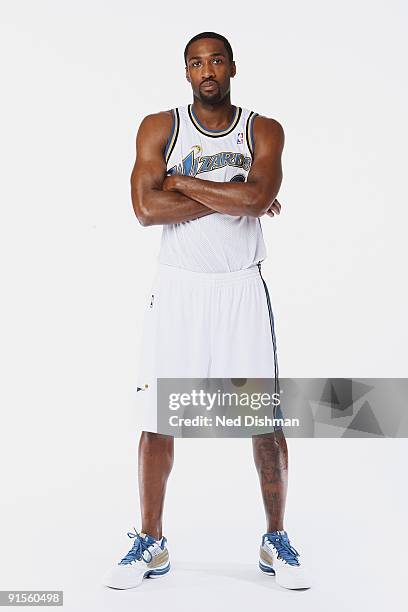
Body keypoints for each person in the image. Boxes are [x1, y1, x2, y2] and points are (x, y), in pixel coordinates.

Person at [103, 31, 311, 591]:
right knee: (158, 418)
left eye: (216, 60)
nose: (207, 70)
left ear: (233, 67)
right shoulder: (159, 126)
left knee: (263, 420)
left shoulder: (262, 129)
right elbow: (146, 209)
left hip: (240, 289)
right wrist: (232, 191)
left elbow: (258, 199)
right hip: (179, 290)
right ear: (186, 73)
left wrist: (184, 183)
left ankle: (276, 538)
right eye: (196, 63)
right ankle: (151, 541)